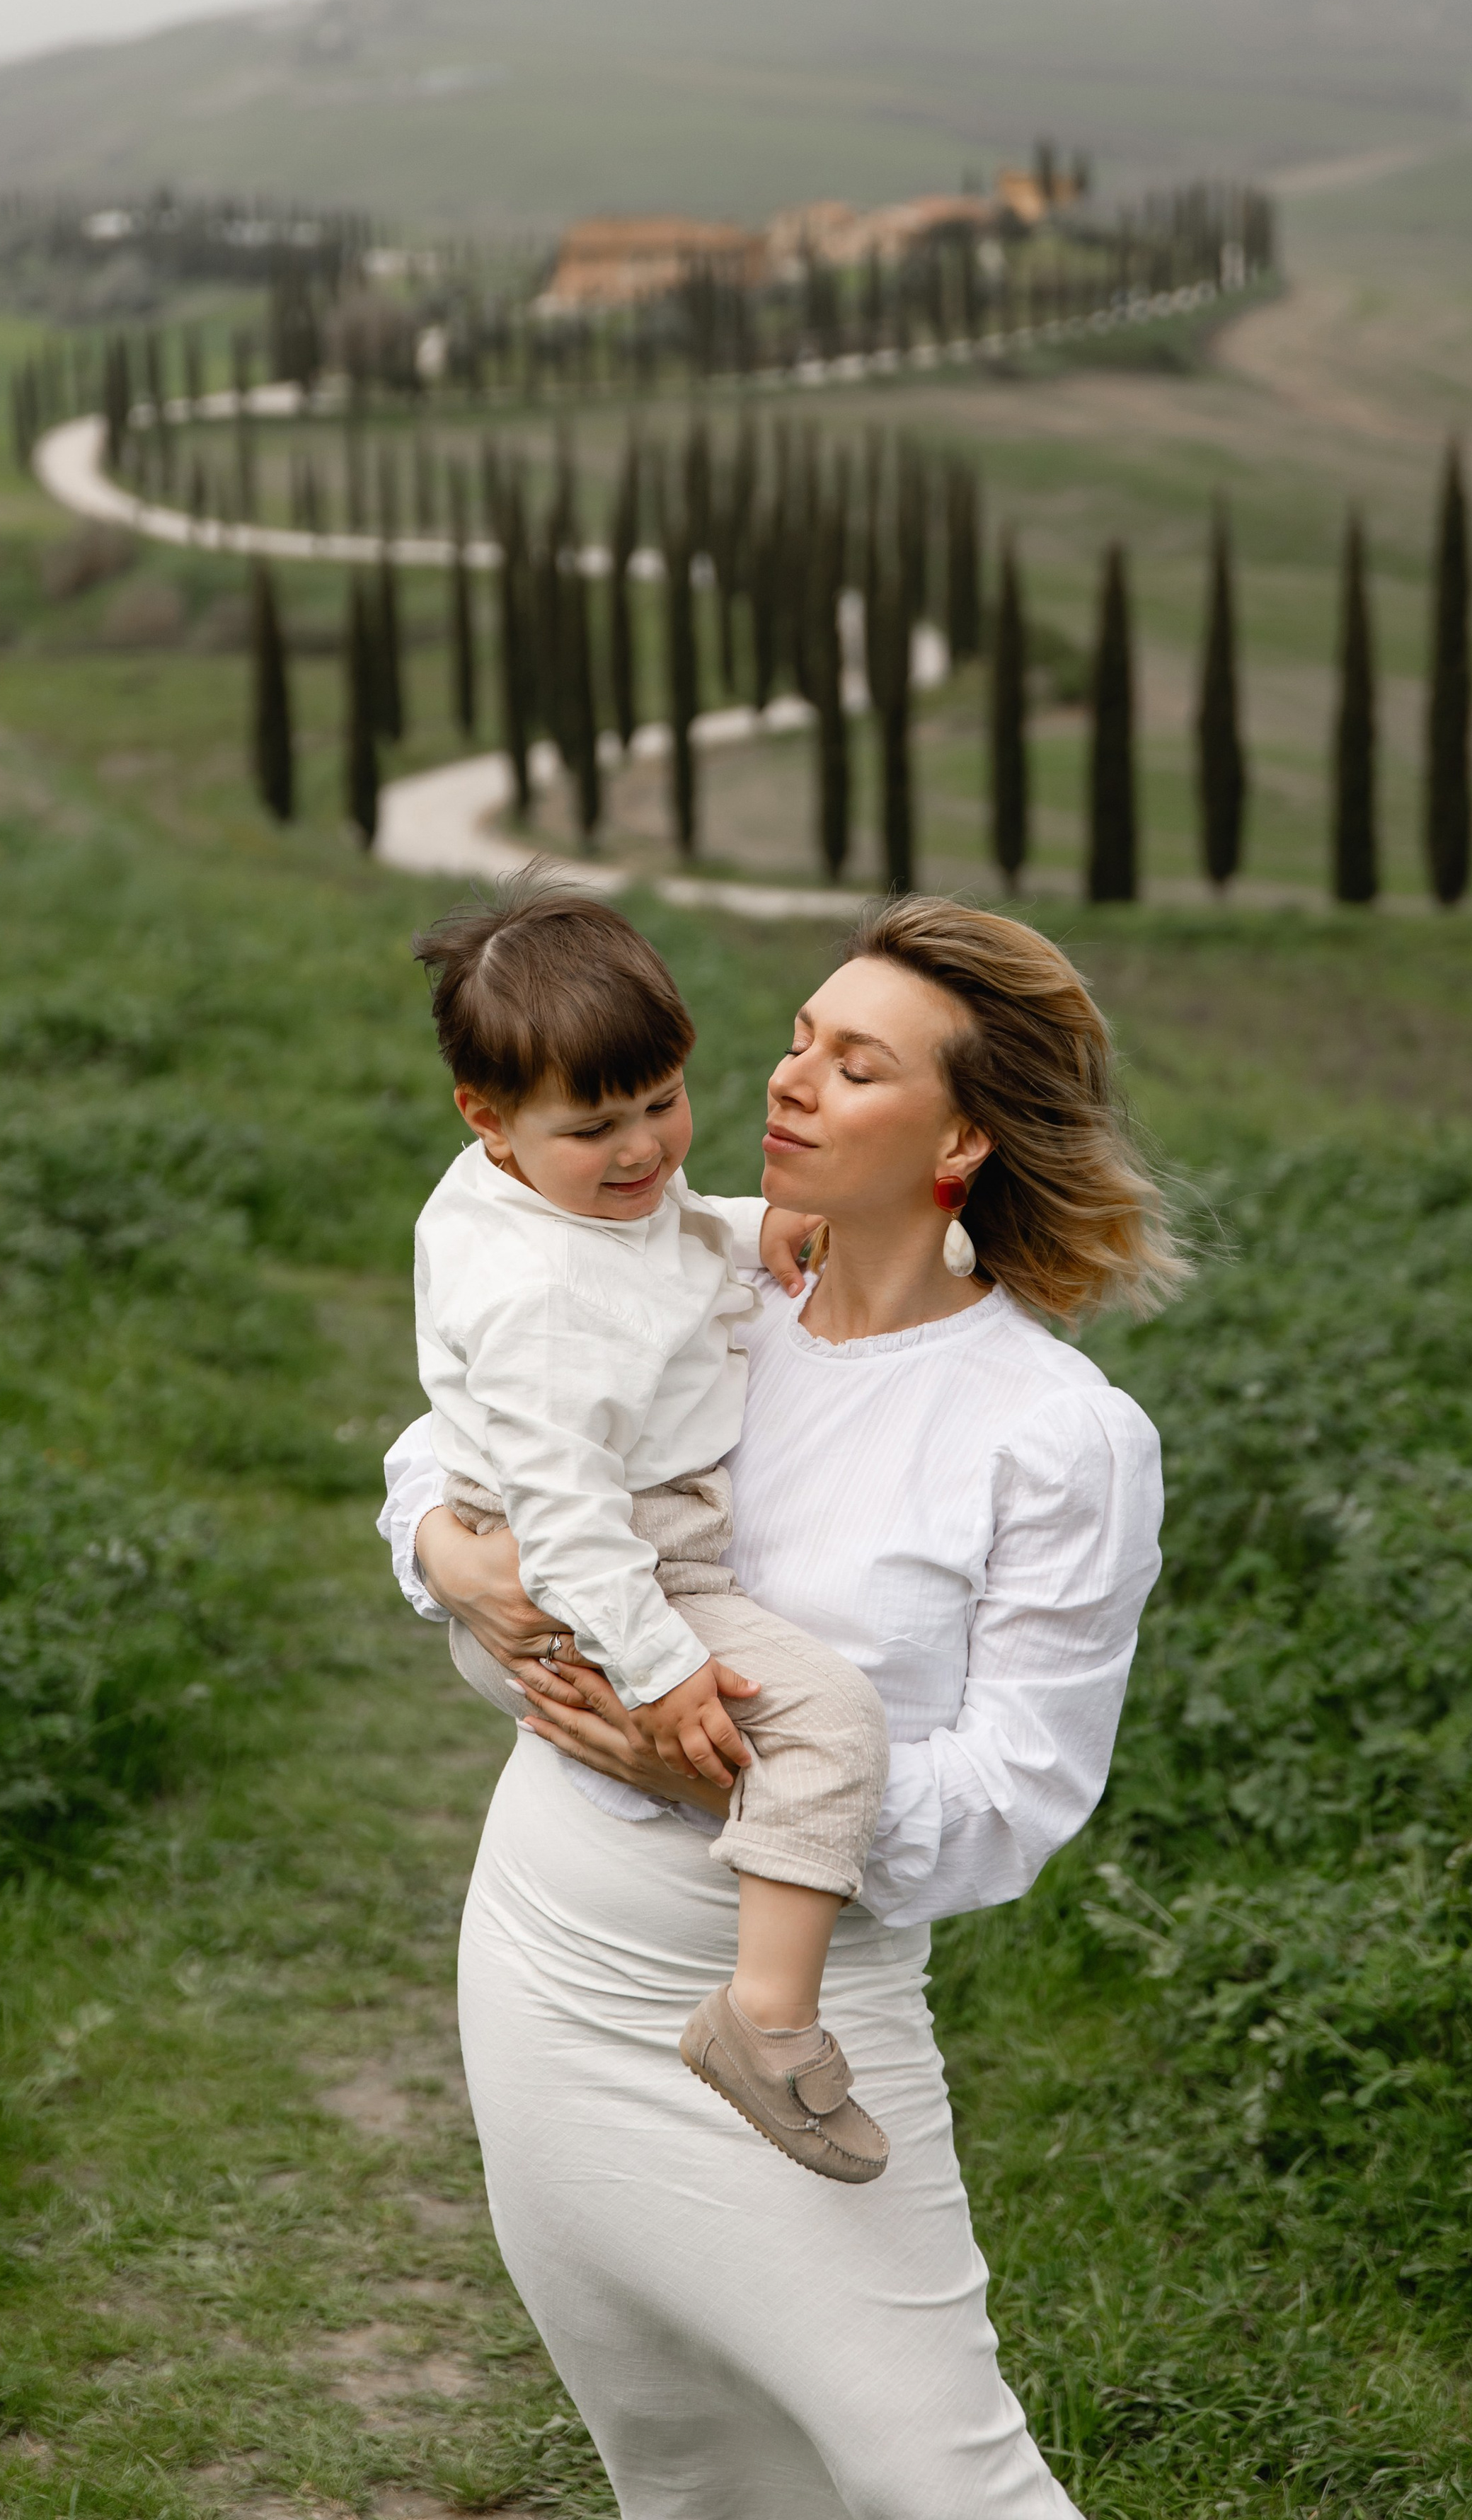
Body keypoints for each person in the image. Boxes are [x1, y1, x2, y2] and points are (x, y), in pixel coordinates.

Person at [380, 894, 1178, 2520]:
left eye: (854, 1065)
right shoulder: (706, 1277)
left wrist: (718, 1782)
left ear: (959, 1138)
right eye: (800, 1036)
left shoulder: (1055, 1437)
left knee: (946, 2480)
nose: (786, 1080)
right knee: (683, 2471)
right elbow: (469, 1427)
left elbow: (1014, 1802)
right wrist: (446, 1558)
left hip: (790, 2014)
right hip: (539, 1952)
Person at [408, 878, 897, 2182]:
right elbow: (567, 1519)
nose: (644, 1153)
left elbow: (663, 1253)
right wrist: (663, 1660)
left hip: (591, 1554)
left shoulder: (547, 1200)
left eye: (665, 1103)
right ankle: (763, 2024)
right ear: (488, 1118)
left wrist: (754, 1226)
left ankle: (676, 2057)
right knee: (831, 1724)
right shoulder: (535, 1297)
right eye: (598, 1127)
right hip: (607, 1570)